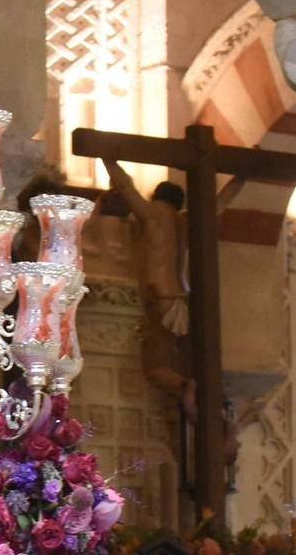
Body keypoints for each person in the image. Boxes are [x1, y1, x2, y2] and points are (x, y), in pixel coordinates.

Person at [103, 157, 195, 418]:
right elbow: (220, 205)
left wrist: (106, 157)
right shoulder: (183, 221)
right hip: (181, 301)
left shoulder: (153, 216)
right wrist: (241, 179)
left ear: (156, 195)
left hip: (160, 299)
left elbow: (124, 185)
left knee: (153, 367)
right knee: (173, 361)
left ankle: (185, 386)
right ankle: (185, 391)